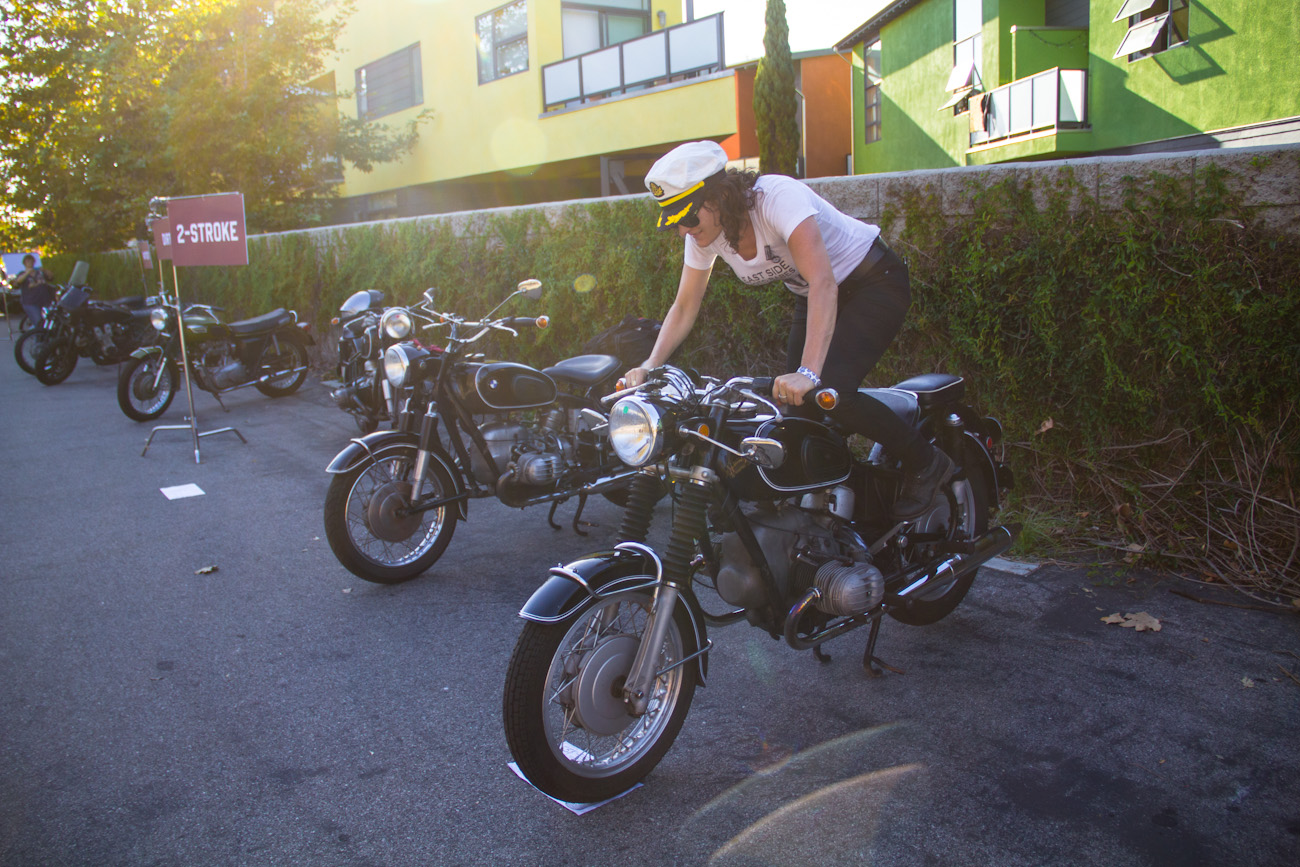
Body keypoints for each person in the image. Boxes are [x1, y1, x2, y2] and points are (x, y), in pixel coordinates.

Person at [625, 140, 953, 520]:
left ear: (718, 197)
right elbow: (685, 305)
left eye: (688, 217)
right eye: (675, 221)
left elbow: (824, 282)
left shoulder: (777, 197)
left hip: (872, 282)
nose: (683, 230)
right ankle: (835, 501)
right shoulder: (706, 233)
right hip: (811, 294)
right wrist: (651, 364)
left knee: (829, 392)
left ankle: (927, 463)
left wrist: (809, 372)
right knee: (794, 415)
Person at [8, 254, 55, 330]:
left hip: (44, 301)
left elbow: (51, 277)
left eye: (31, 261)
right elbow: (18, 281)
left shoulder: (39, 272)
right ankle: (38, 339)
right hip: (30, 302)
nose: (30, 262)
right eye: (28, 261)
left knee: (48, 322)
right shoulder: (22, 274)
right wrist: (28, 272)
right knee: (38, 322)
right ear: (24, 263)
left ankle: (44, 338)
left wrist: (45, 270)